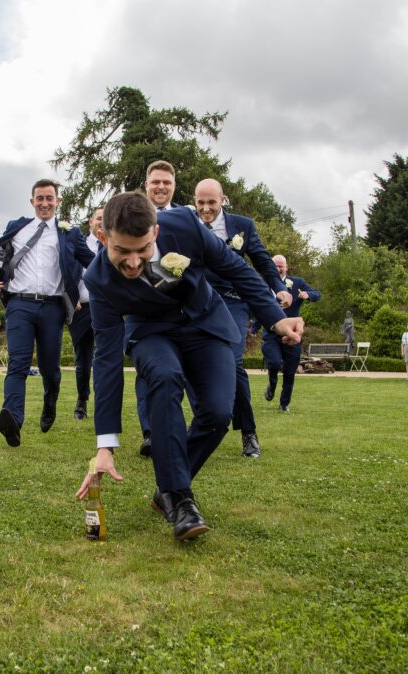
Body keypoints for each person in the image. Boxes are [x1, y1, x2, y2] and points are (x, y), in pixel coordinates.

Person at [75, 192, 304, 542]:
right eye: (122, 251)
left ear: (156, 230)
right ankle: (180, 497)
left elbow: (236, 269)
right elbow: (105, 359)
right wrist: (105, 445)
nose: (134, 263)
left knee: (216, 413)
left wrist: (276, 319)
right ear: (104, 237)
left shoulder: (183, 225)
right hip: (151, 332)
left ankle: (165, 488)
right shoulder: (98, 280)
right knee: (165, 377)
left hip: (204, 323)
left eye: (143, 250)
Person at [0, 178, 95, 447]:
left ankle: (50, 404)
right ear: (32, 202)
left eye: (49, 198)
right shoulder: (17, 228)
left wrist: (120, 265)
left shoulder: (70, 233)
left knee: (50, 369)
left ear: (57, 201)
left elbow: (93, 262)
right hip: (20, 304)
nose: (45, 203)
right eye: (40, 198)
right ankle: (13, 419)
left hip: (53, 307)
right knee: (18, 363)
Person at [194, 178, 291, 459]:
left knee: (233, 362)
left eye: (211, 202)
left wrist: (280, 287)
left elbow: (261, 261)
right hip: (199, 301)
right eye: (201, 202)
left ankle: (248, 431)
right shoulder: (188, 221)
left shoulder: (242, 226)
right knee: (195, 364)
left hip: (234, 302)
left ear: (223, 200)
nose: (206, 208)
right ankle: (205, 426)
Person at [136, 160, 184, 456]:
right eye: (156, 182)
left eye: (166, 182)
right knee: (148, 373)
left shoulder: (185, 218)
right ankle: (151, 433)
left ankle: (174, 429)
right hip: (141, 308)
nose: (161, 187)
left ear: (174, 186)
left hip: (180, 308)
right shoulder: (132, 214)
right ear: (147, 184)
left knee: (176, 373)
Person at [262, 255, 321, 412]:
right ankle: (272, 383)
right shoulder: (265, 283)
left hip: (293, 334)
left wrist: (308, 295)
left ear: (286, 267)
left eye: (281, 266)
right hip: (271, 332)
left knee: (290, 371)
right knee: (273, 363)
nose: (278, 268)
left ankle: (284, 404)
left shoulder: (298, 283)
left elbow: (317, 294)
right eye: (275, 265)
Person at [69, 207, 104, 420]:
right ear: (91, 222)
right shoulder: (77, 244)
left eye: (105, 218)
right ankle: (82, 400)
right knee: (83, 359)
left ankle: (105, 402)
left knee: (106, 357)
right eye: (98, 218)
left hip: (106, 308)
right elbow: (66, 271)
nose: (101, 221)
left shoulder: (114, 244)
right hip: (81, 307)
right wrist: (71, 296)